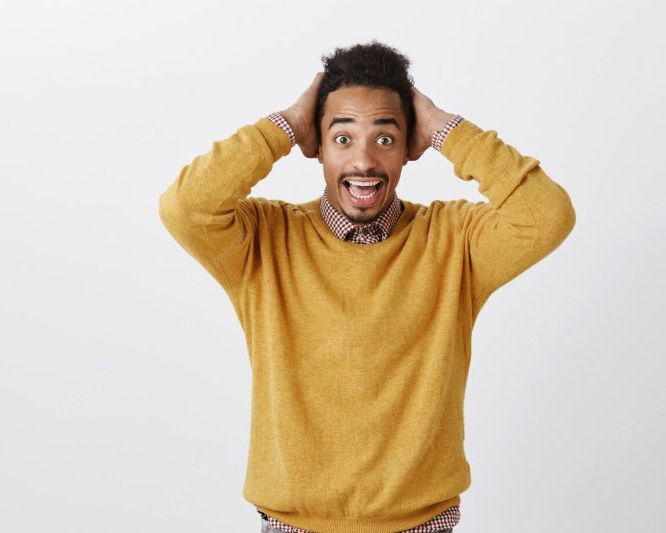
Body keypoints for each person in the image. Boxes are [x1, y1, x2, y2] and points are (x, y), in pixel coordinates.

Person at [158, 41, 576, 533]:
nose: (363, 161)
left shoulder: (454, 242)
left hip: (422, 523)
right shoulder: (263, 240)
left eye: (384, 138)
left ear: (409, 148)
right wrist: (286, 126)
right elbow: (185, 208)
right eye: (342, 138)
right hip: (294, 524)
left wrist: (446, 129)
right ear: (317, 146)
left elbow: (547, 216)